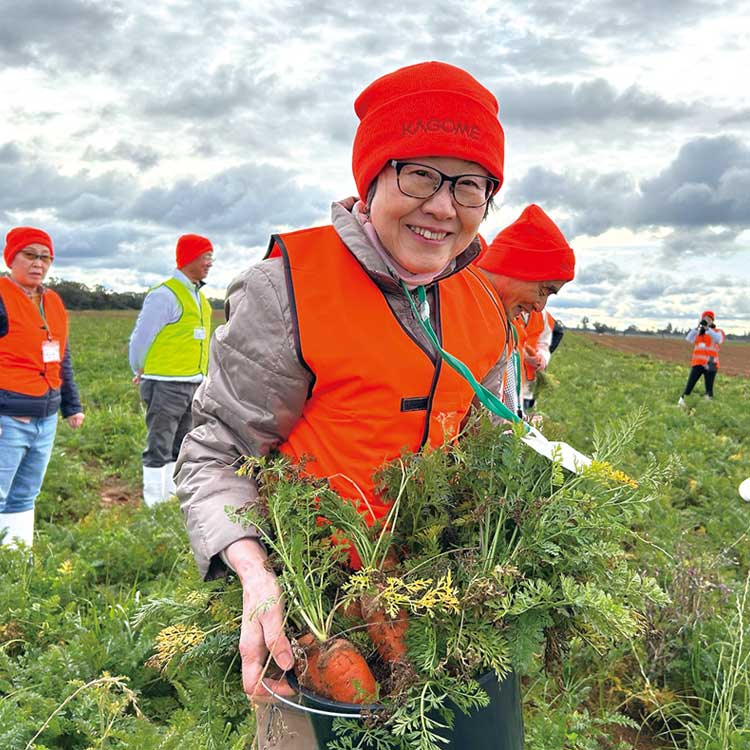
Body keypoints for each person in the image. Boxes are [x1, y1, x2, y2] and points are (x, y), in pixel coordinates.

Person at [176, 62, 513, 748]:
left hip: (440, 615)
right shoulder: (290, 288)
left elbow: (488, 447)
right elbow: (214, 451)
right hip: (316, 616)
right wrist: (252, 569)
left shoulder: (482, 303)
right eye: (420, 174)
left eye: (470, 184)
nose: (444, 206)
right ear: (373, 179)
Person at [0, 227, 85, 548]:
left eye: (45, 257)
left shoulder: (52, 301)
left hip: (45, 415)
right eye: (30, 255)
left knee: (24, 494)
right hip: (9, 417)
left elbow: (62, 355)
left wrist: (71, 406)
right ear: (12, 257)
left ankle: (15, 561)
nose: (39, 263)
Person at [129, 234, 214, 506]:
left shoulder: (200, 299)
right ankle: (154, 503)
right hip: (166, 383)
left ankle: (171, 497)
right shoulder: (164, 295)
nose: (210, 263)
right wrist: (139, 368)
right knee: (159, 444)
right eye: (205, 256)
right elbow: (141, 338)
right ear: (188, 258)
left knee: (181, 444)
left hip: (194, 382)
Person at [474, 204, 575, 417]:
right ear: (514, 268)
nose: (540, 306)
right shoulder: (464, 312)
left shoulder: (503, 318)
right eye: (544, 290)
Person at [678, 310, 725, 405]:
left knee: (709, 389)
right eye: (705, 319)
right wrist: (697, 328)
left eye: (709, 319)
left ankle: (708, 406)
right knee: (689, 386)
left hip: (711, 364)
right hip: (698, 363)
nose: (707, 320)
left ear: (712, 321)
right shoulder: (699, 332)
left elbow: (718, 339)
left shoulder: (718, 332)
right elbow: (688, 339)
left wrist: (708, 329)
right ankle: (681, 403)